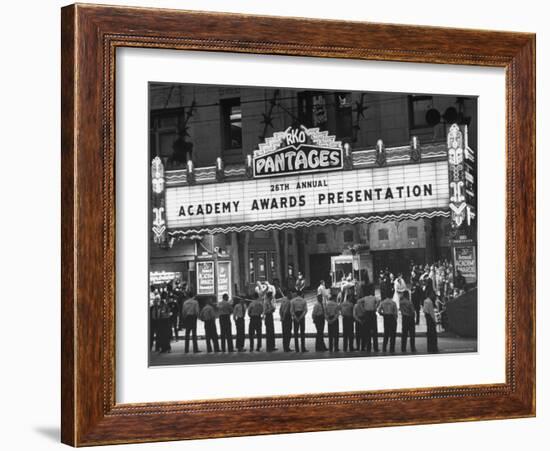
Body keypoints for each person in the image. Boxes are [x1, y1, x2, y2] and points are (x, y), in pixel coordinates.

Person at [363, 288, 380, 352]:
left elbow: (359, 301)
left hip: (367, 313)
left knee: (367, 331)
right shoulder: (374, 297)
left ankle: (368, 347)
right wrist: (376, 306)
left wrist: (364, 307)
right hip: (372, 313)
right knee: (374, 331)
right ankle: (375, 347)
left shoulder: (365, 298)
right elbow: (379, 300)